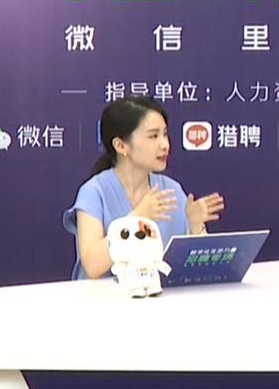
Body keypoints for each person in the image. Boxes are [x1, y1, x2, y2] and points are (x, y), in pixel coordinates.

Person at [66, 97, 225, 280]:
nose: (165, 145)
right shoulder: (94, 192)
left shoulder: (171, 190)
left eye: (165, 134)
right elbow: (92, 267)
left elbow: (196, 270)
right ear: (121, 145)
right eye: (153, 136)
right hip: (105, 297)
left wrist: (196, 227)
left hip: (160, 295)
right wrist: (136, 218)